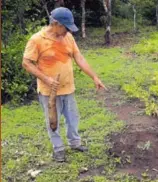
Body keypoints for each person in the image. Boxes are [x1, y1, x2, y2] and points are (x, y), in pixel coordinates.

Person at [22, 7, 107, 162]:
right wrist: (46, 79)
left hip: (68, 88)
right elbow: (27, 63)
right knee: (52, 121)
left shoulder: (68, 38)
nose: (68, 31)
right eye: (66, 28)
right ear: (55, 24)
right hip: (49, 92)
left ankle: (75, 143)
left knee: (73, 118)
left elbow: (79, 57)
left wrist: (94, 77)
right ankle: (58, 149)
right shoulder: (37, 40)